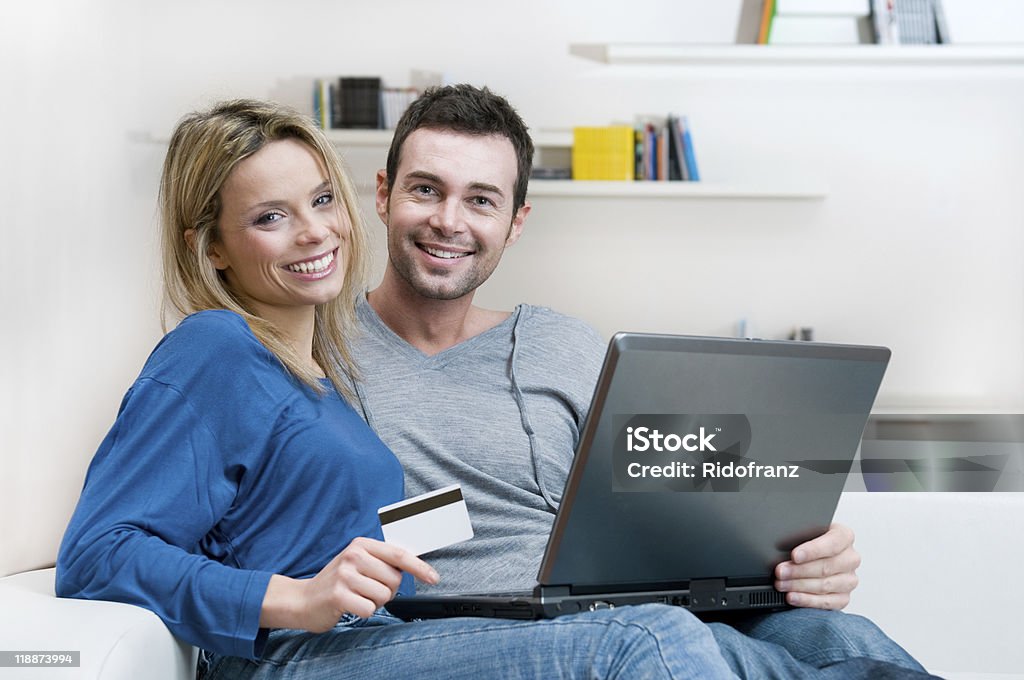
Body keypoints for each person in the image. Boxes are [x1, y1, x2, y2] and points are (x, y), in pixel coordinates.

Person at [55, 99, 737, 680]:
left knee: (832, 642)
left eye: (322, 200)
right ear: (212, 248)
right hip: (298, 656)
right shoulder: (216, 348)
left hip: (382, 642)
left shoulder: (318, 375)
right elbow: (95, 554)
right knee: (650, 643)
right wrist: (290, 598)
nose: (315, 230)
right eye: (270, 217)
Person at [350, 84, 934, 678]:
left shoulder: (564, 344)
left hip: (615, 602)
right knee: (673, 637)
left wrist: (796, 554)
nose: (448, 221)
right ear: (383, 193)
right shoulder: (314, 348)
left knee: (842, 636)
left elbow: (668, 504)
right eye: (426, 190)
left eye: (481, 200)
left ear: (516, 222)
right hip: (479, 628)